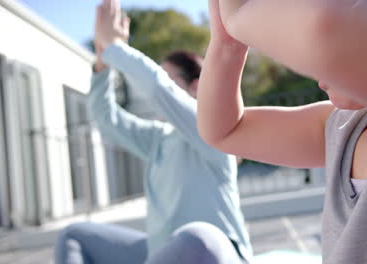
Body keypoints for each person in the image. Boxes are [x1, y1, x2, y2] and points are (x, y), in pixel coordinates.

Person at [197, 0, 367, 263]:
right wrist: (226, 43)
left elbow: (328, 25)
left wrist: (238, 17)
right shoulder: (340, 128)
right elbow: (225, 131)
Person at [55, 0, 252, 263]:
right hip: (160, 253)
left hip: (214, 253)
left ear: (195, 88)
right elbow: (105, 118)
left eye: (171, 81)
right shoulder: (158, 139)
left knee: (196, 238)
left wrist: (116, 48)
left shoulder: (212, 130)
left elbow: (158, 90)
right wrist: (102, 63)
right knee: (75, 234)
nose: (161, 95)